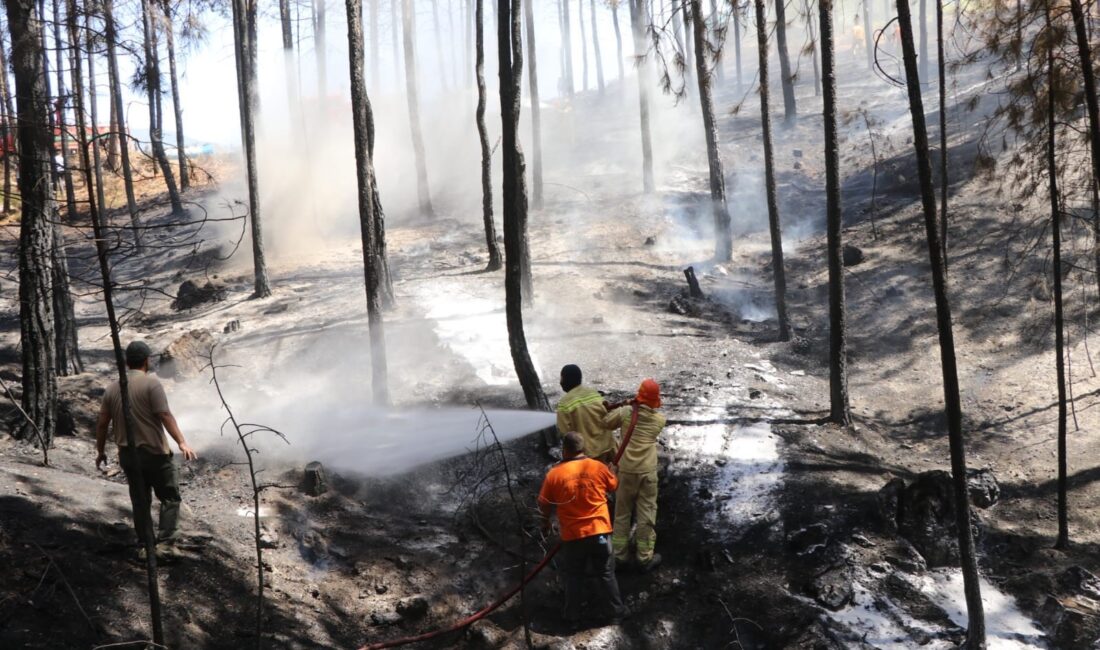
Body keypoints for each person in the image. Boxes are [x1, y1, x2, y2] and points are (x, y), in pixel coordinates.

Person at [96, 341, 197, 552]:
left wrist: (100, 451)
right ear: (146, 361)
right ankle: (167, 544)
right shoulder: (152, 384)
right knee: (169, 497)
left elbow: (103, 423)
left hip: (128, 455)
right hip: (155, 454)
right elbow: (165, 415)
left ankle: (145, 543)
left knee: (140, 500)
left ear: (126, 362)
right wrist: (181, 442)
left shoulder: (113, 388)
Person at [538, 431, 627, 627]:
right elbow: (613, 485)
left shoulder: (554, 474)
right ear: (582, 448)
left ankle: (572, 619)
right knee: (605, 573)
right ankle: (616, 614)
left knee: (574, 576)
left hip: (573, 536)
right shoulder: (597, 467)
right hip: (600, 533)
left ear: (565, 450)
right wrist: (612, 472)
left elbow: (543, 502)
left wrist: (545, 522)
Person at [601, 378, 666, 571]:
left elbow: (606, 422)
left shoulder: (626, 413)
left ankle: (620, 556)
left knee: (622, 514)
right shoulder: (659, 421)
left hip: (626, 471)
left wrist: (625, 406)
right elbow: (648, 416)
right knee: (646, 515)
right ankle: (644, 557)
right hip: (647, 473)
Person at [556, 364, 615, 462]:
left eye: (561, 378)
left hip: (589, 453)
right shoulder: (593, 393)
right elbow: (608, 413)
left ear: (565, 380)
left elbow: (565, 432)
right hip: (607, 446)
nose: (560, 382)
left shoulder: (564, 404)